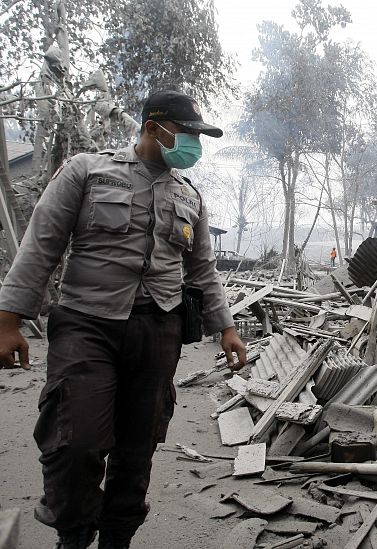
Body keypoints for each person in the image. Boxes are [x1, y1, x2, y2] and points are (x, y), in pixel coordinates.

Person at [0, 90, 246, 549]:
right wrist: (8, 320)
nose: (195, 144)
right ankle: (73, 537)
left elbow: (202, 270)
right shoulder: (86, 172)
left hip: (158, 330)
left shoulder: (189, 195)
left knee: (138, 447)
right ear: (153, 128)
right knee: (77, 440)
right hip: (86, 324)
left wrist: (226, 327)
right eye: (188, 133)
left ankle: (117, 539)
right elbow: (42, 246)